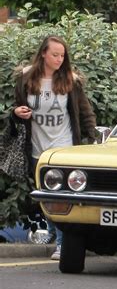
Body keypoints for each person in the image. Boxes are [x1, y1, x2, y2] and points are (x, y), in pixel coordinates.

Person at [12, 35, 96, 260]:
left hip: (63, 147)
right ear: (43, 54)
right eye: (55, 55)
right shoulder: (26, 78)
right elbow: (16, 106)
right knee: (47, 197)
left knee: (60, 196)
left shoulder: (70, 80)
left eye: (62, 55)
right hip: (37, 147)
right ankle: (51, 232)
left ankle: (61, 243)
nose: (59, 59)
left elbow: (84, 112)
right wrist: (17, 112)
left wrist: (93, 137)